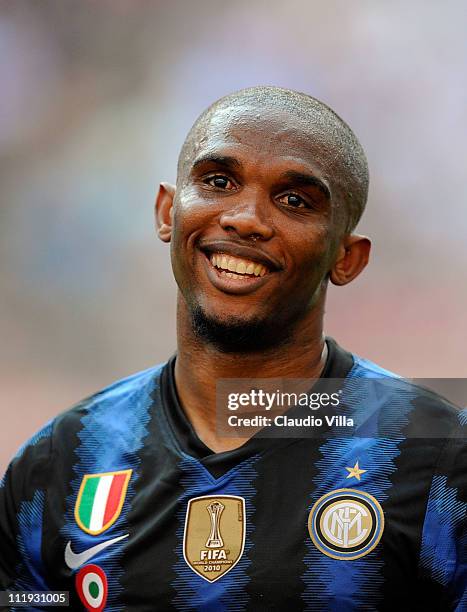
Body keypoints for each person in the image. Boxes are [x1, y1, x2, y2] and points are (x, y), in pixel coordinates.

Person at [0, 86, 465, 611]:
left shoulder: (438, 456)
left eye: (294, 201)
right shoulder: (60, 460)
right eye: (218, 182)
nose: (245, 218)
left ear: (347, 258)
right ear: (167, 212)